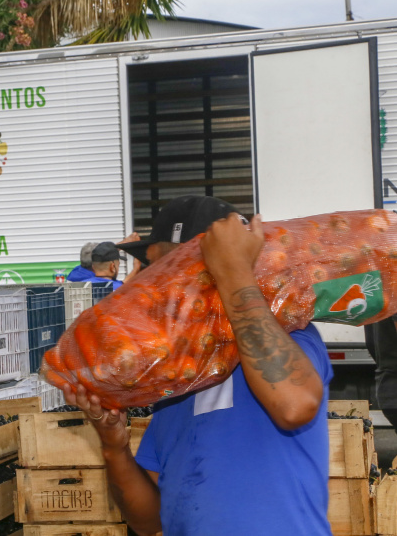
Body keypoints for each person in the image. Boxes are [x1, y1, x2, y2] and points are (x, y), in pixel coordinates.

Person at [64, 195, 333, 535]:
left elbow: (294, 405)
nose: (150, 286)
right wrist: (113, 447)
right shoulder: (176, 376)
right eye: (150, 271)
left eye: (163, 268)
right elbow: (149, 521)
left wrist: (234, 273)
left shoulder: (288, 333)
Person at [66, 240, 139, 287]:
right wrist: (136, 268)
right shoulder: (116, 288)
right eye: (118, 265)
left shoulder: (77, 274)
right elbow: (122, 285)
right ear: (112, 267)